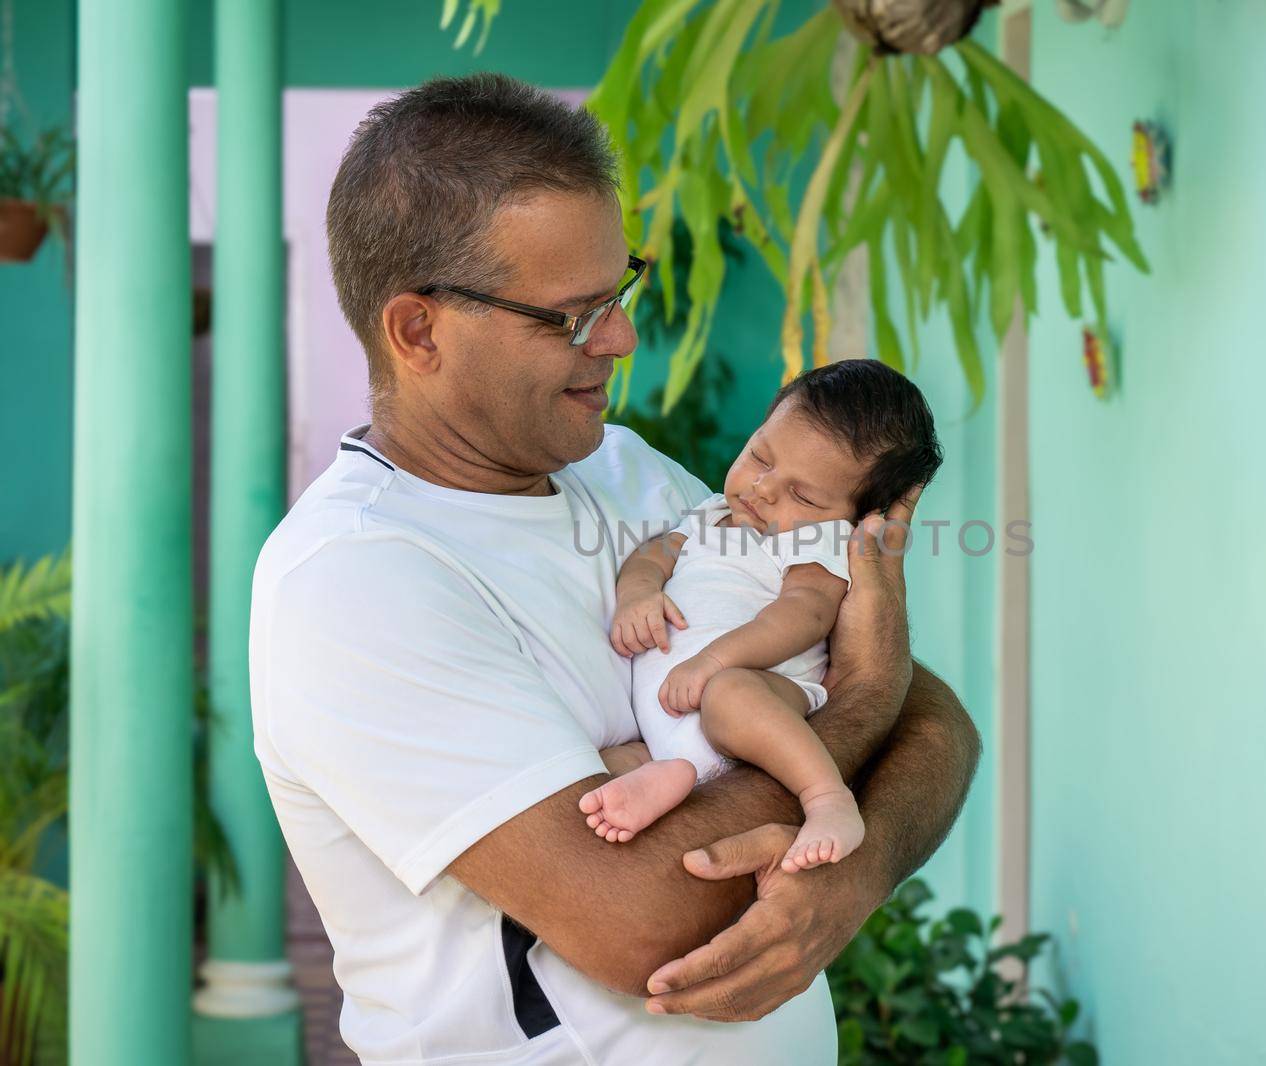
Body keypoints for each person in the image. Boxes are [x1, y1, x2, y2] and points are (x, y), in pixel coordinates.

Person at [250, 73, 979, 1065]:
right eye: (570, 314)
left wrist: (853, 869)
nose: (623, 339)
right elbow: (642, 920)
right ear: (418, 331)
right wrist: (854, 720)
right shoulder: (355, 579)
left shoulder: (623, 470)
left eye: (619, 287)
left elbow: (938, 724)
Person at [584, 361, 944, 878]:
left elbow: (804, 615)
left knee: (730, 693)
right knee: (603, 764)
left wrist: (715, 662)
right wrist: (638, 593)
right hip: (667, 731)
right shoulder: (710, 513)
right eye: (760, 456)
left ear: (858, 518)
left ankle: (825, 798)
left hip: (763, 695)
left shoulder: (814, 543)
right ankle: (674, 775)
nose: (765, 488)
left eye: (803, 494)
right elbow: (653, 555)